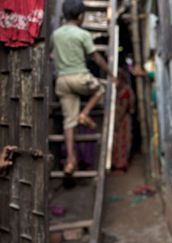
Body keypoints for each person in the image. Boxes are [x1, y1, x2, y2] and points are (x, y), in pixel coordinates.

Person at [50, 0, 117, 174]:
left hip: (62, 81)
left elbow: (51, 54)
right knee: (100, 89)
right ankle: (85, 113)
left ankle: (70, 160)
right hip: (80, 78)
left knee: (68, 122)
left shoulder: (56, 34)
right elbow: (96, 57)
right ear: (80, 16)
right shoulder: (82, 34)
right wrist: (110, 74)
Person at [112, 68, 135, 172]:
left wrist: (118, 121)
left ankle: (121, 165)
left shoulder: (125, 91)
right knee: (116, 142)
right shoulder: (114, 91)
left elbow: (124, 108)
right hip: (116, 119)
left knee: (123, 142)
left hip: (123, 120)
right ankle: (115, 164)